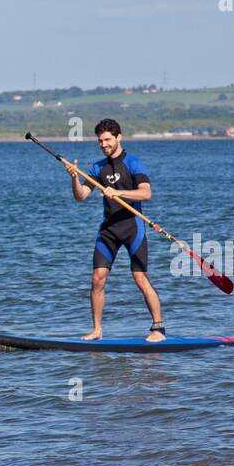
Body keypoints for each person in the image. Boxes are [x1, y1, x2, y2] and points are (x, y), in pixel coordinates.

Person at [63, 119, 166, 342]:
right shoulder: (97, 167)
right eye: (100, 141)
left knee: (140, 278)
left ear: (119, 138)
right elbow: (81, 196)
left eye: (107, 139)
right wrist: (74, 178)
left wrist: (119, 193)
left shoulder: (133, 163)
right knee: (97, 279)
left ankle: (158, 329)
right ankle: (97, 329)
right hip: (109, 229)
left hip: (132, 227)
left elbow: (146, 193)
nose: (103, 144)